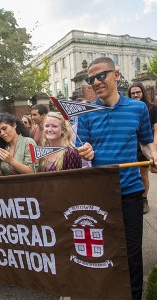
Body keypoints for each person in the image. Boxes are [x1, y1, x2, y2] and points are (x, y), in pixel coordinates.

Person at [77, 57, 157, 299]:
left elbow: (145, 142)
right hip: (100, 194)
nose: (96, 82)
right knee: (106, 251)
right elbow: (82, 153)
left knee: (132, 253)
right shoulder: (86, 114)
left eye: (101, 75)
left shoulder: (138, 108)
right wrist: (86, 153)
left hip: (131, 191)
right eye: (91, 79)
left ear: (117, 75)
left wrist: (154, 155)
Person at [128, 82, 157, 214]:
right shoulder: (128, 109)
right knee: (131, 174)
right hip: (131, 146)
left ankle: (144, 200)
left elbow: (156, 129)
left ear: (143, 92)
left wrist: (154, 149)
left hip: (145, 144)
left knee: (144, 174)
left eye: (137, 92)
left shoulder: (152, 108)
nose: (135, 95)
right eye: (132, 93)